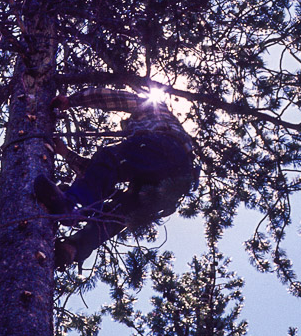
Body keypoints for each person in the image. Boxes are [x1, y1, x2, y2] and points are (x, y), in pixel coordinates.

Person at [34, 87, 198, 270]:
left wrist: (72, 100)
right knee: (118, 211)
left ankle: (71, 206)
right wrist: (66, 154)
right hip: (173, 181)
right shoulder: (145, 157)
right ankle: (72, 248)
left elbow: (116, 98)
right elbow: (101, 174)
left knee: (110, 156)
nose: (128, 129)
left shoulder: (153, 110)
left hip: (168, 147)